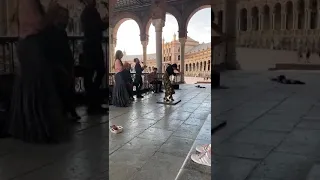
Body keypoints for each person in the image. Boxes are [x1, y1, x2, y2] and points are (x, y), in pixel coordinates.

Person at [8, 0, 71, 143]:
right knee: (37, 86)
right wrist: (51, 12)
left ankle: (32, 129)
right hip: (31, 47)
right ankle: (37, 129)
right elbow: (38, 25)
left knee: (32, 87)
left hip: (30, 47)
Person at [45, 4, 80, 121]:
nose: (66, 19)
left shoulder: (59, 32)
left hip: (63, 65)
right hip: (59, 66)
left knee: (67, 87)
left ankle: (68, 110)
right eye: (64, 17)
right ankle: (67, 110)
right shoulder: (54, 32)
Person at [80, 0, 107, 114]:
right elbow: (97, 27)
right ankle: (93, 103)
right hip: (92, 46)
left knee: (94, 73)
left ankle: (94, 101)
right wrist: (105, 22)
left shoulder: (90, 11)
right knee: (93, 73)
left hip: (93, 46)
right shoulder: (88, 12)